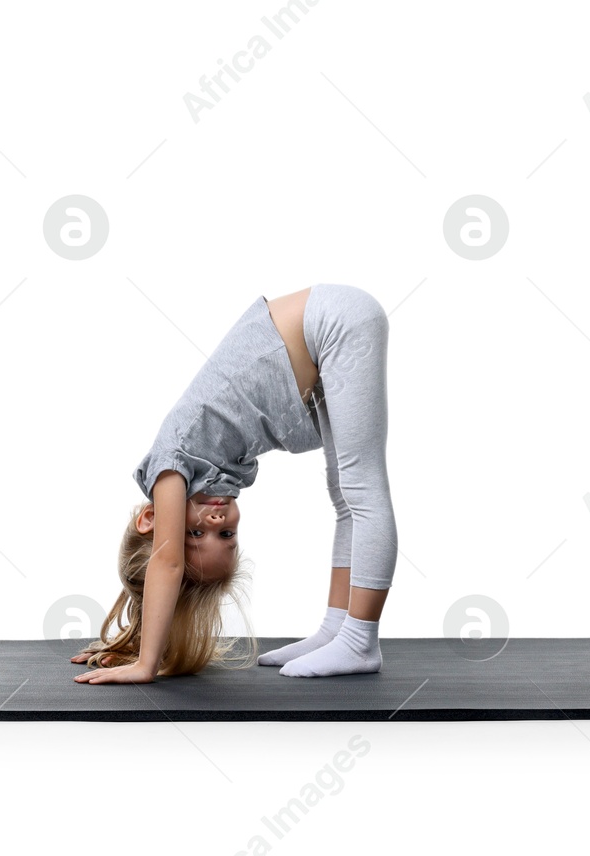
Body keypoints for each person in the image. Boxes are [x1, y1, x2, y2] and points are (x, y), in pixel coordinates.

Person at [71, 283, 397, 683]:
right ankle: (336, 627)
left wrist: (145, 665)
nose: (215, 521)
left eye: (193, 531)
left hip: (332, 323)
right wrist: (131, 641)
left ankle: (360, 640)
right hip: (329, 328)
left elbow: (168, 564)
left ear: (152, 520)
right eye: (227, 534)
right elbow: (168, 576)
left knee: (361, 489)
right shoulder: (210, 467)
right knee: (346, 497)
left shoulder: (170, 466)